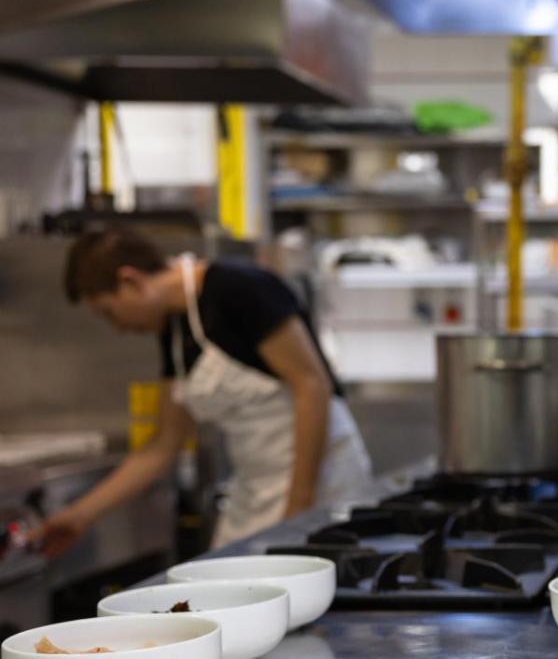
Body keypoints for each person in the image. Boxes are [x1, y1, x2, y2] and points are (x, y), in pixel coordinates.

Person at [40, 226, 371, 555]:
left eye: (108, 312)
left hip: (321, 479)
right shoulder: (174, 329)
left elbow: (311, 385)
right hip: (255, 487)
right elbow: (164, 444)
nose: (117, 327)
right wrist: (79, 516)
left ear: (131, 281)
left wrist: (297, 509)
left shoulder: (239, 287)